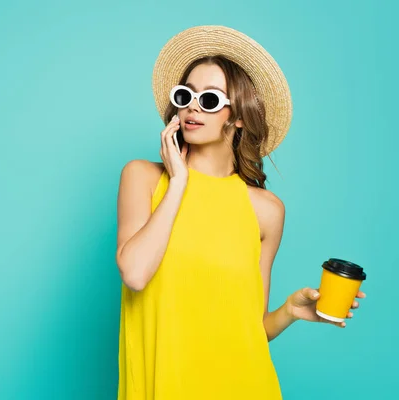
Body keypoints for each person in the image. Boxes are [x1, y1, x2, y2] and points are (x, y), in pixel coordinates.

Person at [115, 25, 366, 399]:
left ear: (240, 117)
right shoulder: (145, 178)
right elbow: (135, 274)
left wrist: (291, 312)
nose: (192, 108)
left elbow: (251, 328)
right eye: (186, 96)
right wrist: (179, 182)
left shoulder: (266, 210)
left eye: (211, 100)